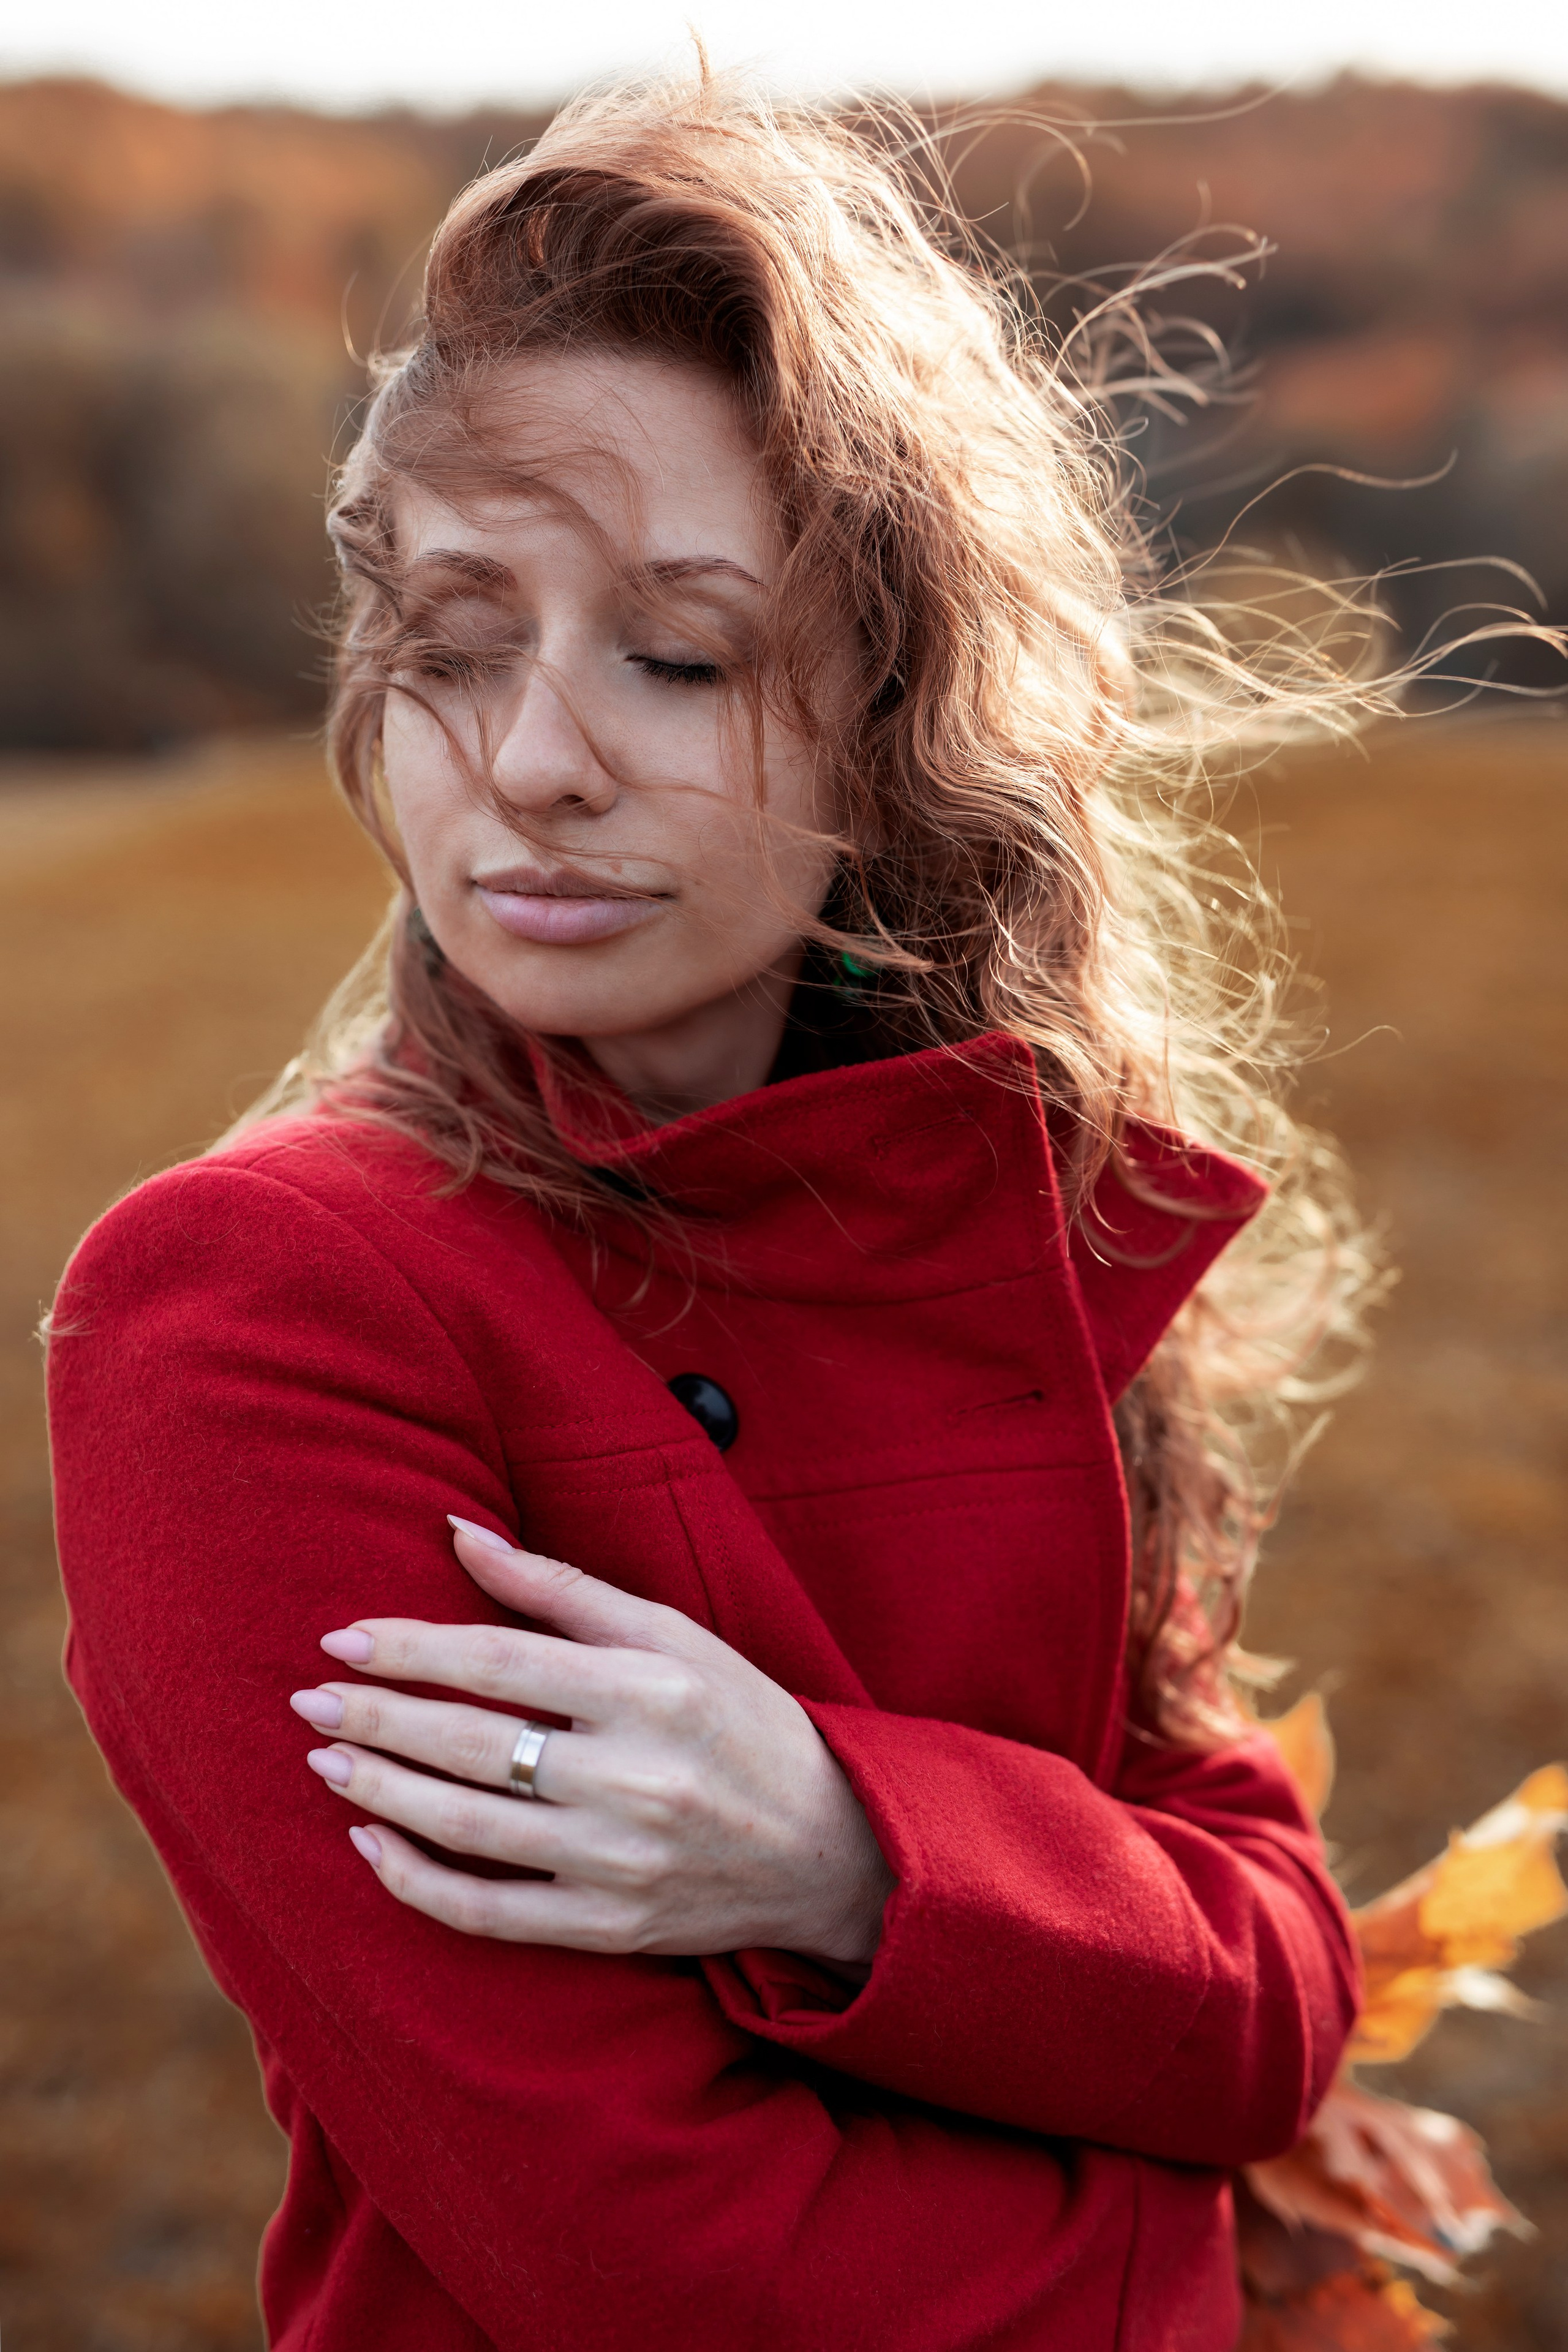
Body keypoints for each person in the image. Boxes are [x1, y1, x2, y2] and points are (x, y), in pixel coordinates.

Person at [48, 69, 1371, 2352]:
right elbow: (655, 2269)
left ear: (889, 707)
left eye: (678, 654)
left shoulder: (1009, 1208)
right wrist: (1178, 2247)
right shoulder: (251, 1304)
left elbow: (1277, 2000)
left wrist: (853, 1854)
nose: (536, 757)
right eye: (456, 643)